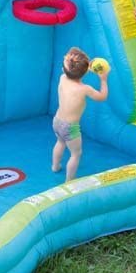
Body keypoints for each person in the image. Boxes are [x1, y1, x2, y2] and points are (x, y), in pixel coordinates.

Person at [52, 48, 109, 182]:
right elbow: (102, 97)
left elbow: (69, 69)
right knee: (76, 154)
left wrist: (83, 67)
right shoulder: (85, 89)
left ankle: (55, 166)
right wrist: (103, 79)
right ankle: (69, 180)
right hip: (70, 127)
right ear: (85, 72)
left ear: (64, 69)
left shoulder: (62, 78)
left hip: (57, 121)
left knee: (60, 142)